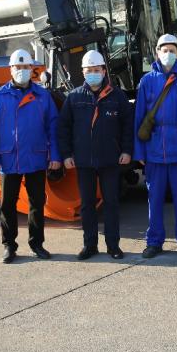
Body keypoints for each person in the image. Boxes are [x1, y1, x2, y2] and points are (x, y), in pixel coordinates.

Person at [0, 49, 62, 264]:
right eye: (17, 67)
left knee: (37, 203)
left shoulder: (42, 96)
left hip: (36, 158)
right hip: (9, 160)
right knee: (7, 204)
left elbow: (52, 128)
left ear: (32, 69)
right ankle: (9, 245)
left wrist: (55, 155)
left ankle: (37, 244)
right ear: (10, 69)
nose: (21, 70)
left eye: (25, 67)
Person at [57, 50, 133, 260]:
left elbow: (128, 126)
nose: (93, 74)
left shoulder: (117, 96)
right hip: (84, 161)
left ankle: (113, 246)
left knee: (111, 203)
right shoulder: (73, 98)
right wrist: (66, 155)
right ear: (83, 72)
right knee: (87, 204)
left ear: (103, 70)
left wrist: (127, 151)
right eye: (88, 71)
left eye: (96, 70)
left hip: (110, 159)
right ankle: (90, 245)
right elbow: (64, 128)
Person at [134, 34, 177, 259]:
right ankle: (154, 242)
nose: (168, 54)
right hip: (153, 148)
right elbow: (139, 118)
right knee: (155, 198)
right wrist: (139, 151)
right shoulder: (147, 80)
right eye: (164, 50)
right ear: (157, 52)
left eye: (172, 50)